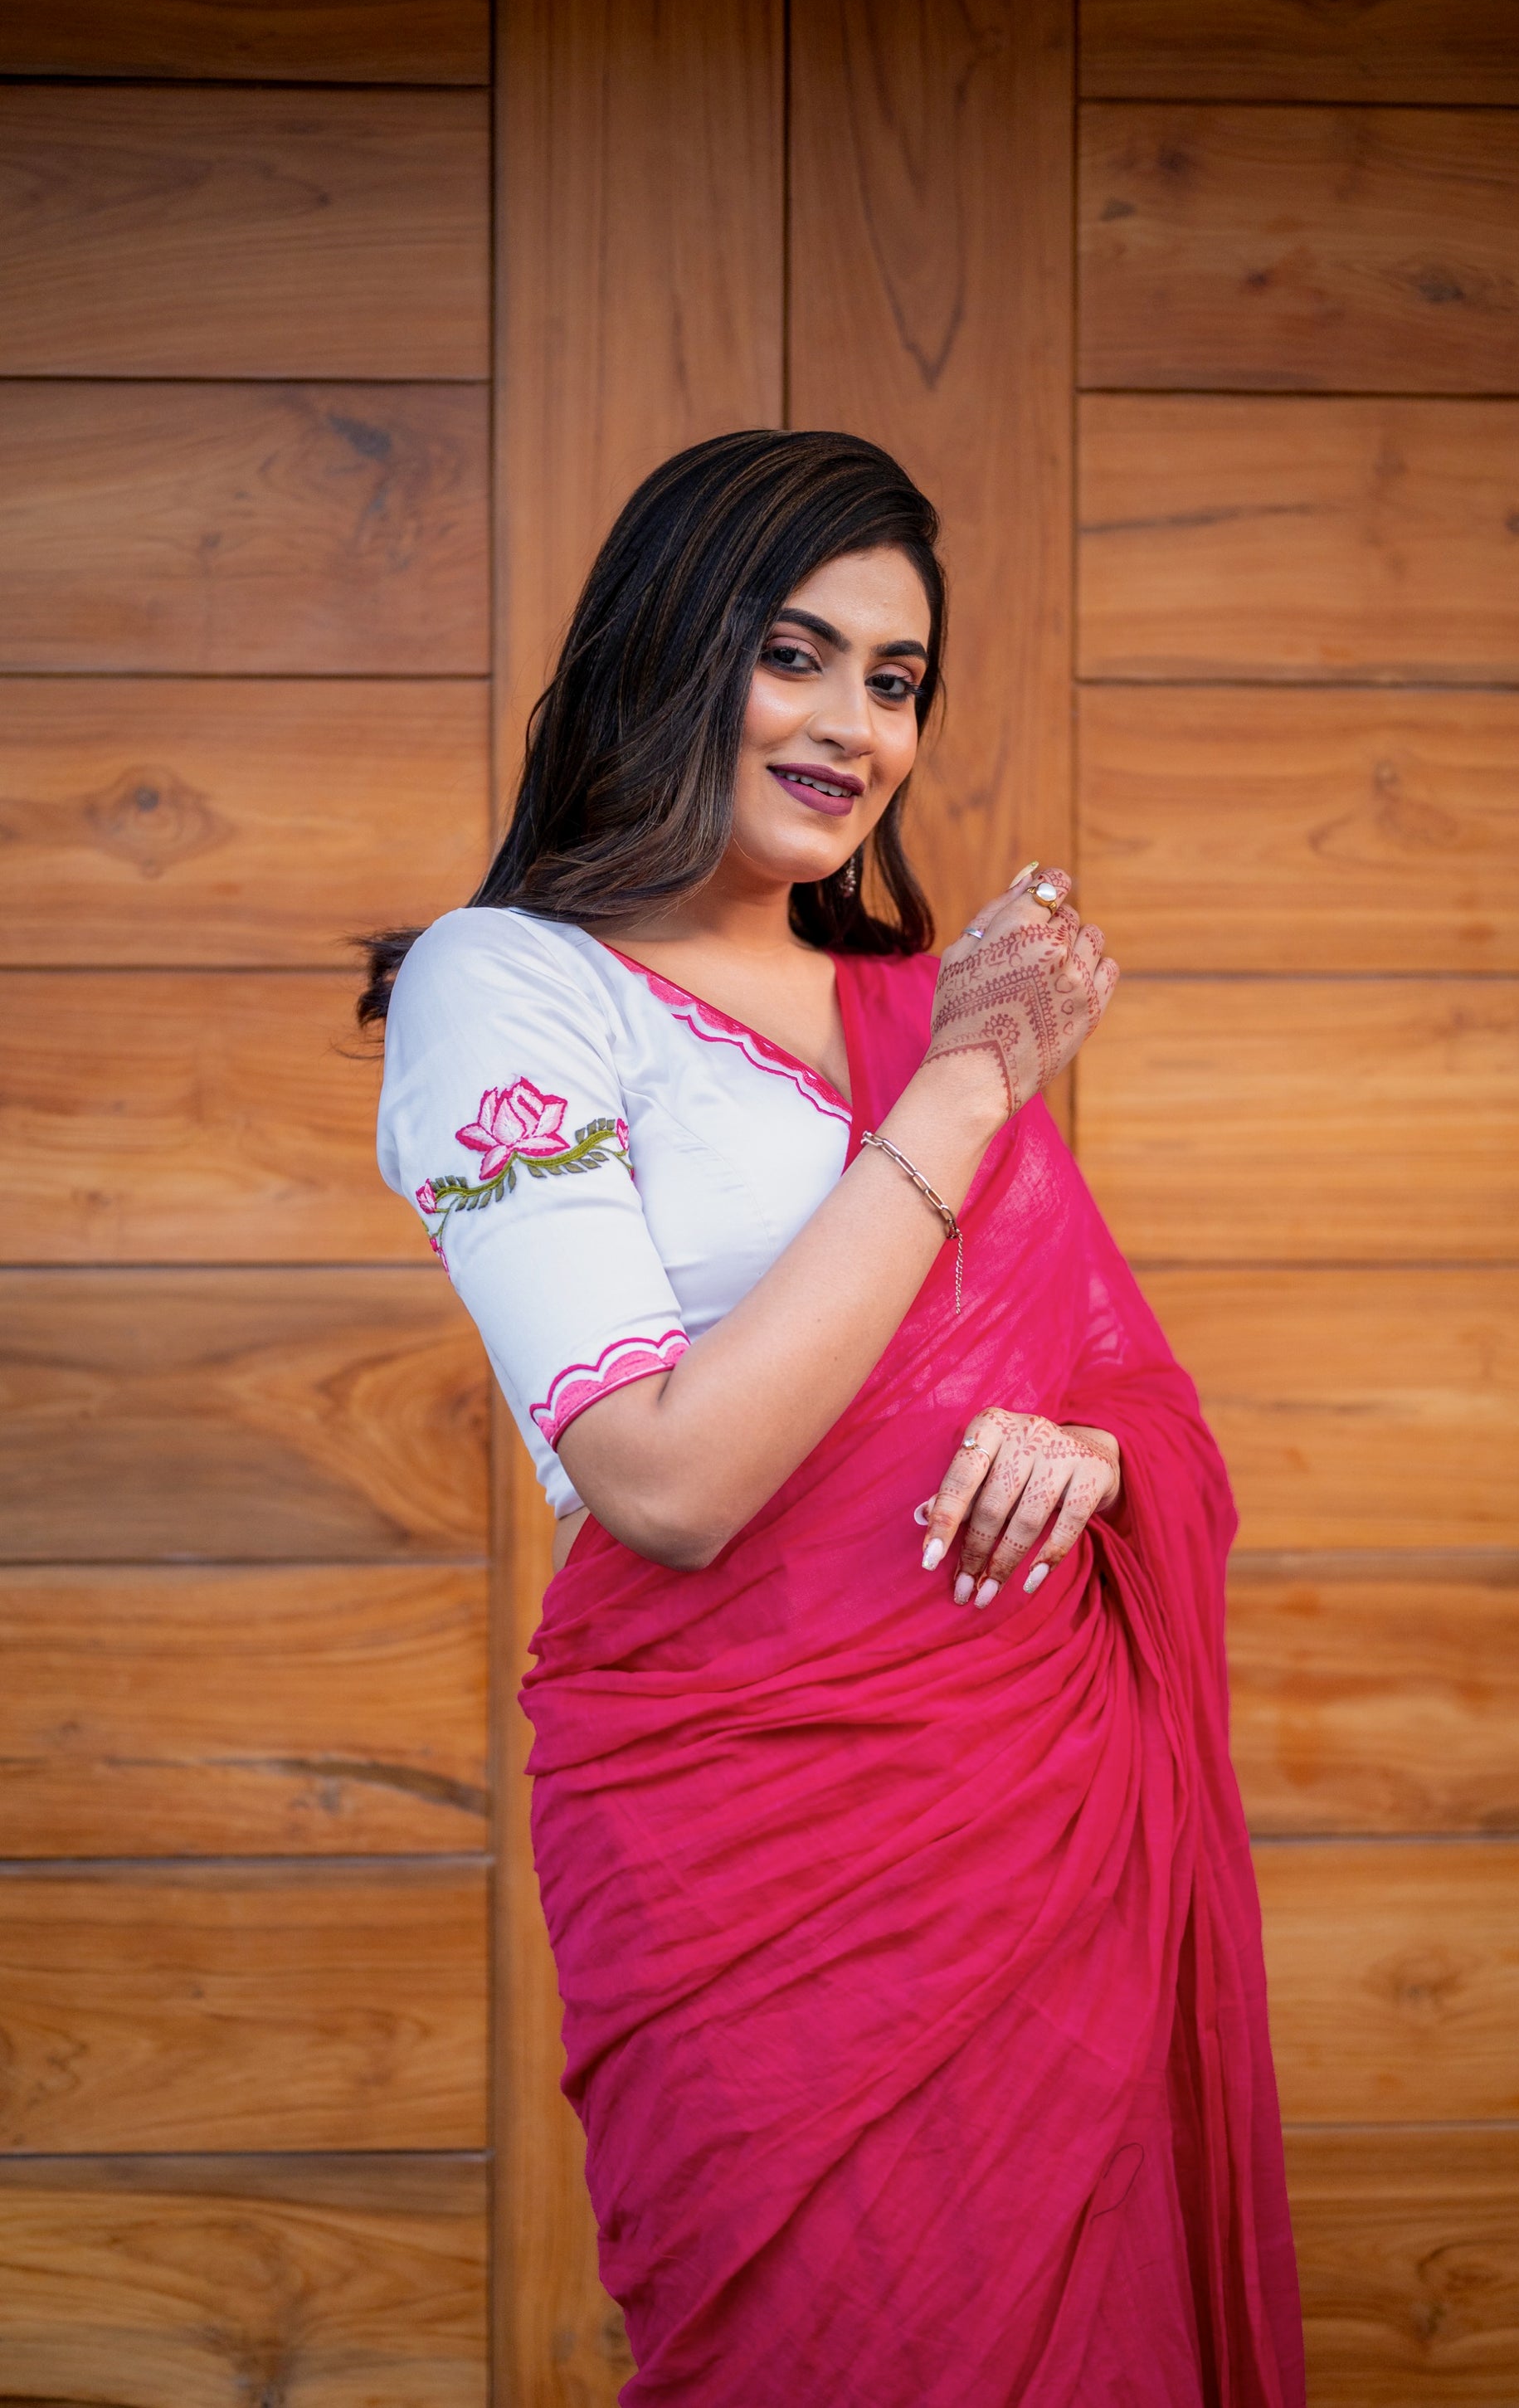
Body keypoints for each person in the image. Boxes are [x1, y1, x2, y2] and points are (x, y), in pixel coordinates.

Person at [363, 430, 1304, 2405]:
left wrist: (1096, 1455)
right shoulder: (516, 984)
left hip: (1033, 1829)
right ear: (665, 647)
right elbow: (667, 1480)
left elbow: (1133, 1392)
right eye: (795, 654)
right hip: (743, 1842)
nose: (853, 724)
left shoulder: (904, 1003)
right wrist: (964, 1094)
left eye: (895, 681)